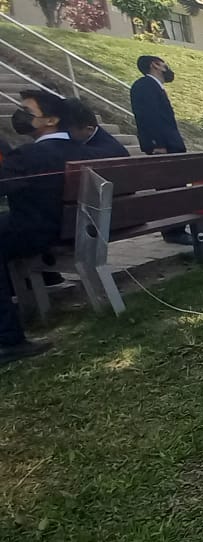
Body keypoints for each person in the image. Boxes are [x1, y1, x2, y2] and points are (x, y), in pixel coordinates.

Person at [0, 89, 79, 364]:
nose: (19, 116)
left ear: (51, 120)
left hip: (40, 232)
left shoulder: (29, 156)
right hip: (76, 227)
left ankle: (8, 338)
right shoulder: (86, 149)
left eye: (27, 111)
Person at [130, 55, 191, 245]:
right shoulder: (144, 86)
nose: (167, 66)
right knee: (169, 189)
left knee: (177, 188)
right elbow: (148, 117)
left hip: (171, 145)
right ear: (155, 65)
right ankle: (173, 231)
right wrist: (158, 144)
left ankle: (179, 228)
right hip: (163, 147)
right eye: (164, 63)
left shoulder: (155, 87)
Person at [63, 98, 129, 159]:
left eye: (68, 130)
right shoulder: (83, 138)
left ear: (89, 130)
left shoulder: (106, 152)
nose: (62, 132)